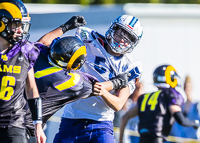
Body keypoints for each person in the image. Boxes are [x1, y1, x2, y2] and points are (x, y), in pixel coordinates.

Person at [45, 14, 143, 143]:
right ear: (113, 29)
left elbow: (118, 104)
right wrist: (65, 27)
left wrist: (103, 91)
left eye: (129, 38)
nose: (122, 40)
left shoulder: (130, 66)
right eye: (121, 33)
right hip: (72, 119)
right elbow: (44, 43)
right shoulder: (88, 38)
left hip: (101, 125)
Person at [0, 0, 46, 143]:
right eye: (16, 25)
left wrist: (38, 124)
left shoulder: (26, 50)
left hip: (13, 122)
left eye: (21, 25)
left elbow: (31, 89)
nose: (20, 30)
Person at [119, 64, 200, 143]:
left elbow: (125, 117)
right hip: (157, 138)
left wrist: (120, 140)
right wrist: (194, 123)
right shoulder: (170, 94)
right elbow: (181, 120)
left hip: (142, 139)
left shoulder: (144, 97)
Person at [170, 75, 200, 140]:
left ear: (191, 88)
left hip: (191, 139)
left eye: (188, 87)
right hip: (176, 139)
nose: (187, 90)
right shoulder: (178, 104)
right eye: (185, 87)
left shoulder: (196, 106)